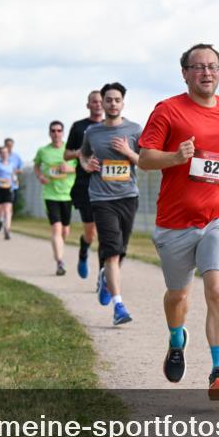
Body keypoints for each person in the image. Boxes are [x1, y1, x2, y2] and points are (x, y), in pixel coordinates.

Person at [137, 43, 219, 401]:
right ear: (184, 73)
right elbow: (144, 158)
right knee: (178, 294)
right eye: (198, 67)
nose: (206, 73)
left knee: (217, 289)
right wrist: (174, 156)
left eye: (213, 66)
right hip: (175, 222)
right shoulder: (168, 110)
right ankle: (176, 338)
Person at [79, 82, 141, 326]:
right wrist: (87, 165)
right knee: (112, 250)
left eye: (117, 100)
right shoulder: (92, 133)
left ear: (122, 103)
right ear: (102, 103)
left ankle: (106, 276)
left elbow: (145, 161)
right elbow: (84, 155)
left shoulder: (135, 129)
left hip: (128, 196)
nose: (112, 103)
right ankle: (119, 306)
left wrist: (128, 151)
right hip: (102, 198)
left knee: (120, 250)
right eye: (108, 100)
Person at [64, 90, 104, 279]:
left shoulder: (111, 127)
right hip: (85, 185)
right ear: (88, 105)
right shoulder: (79, 127)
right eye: (94, 102)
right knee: (91, 233)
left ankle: (104, 277)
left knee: (106, 233)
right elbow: (66, 154)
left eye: (100, 101)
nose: (97, 105)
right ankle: (83, 250)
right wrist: (81, 152)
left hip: (107, 185)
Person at [34, 121, 76, 276]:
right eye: (53, 130)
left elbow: (81, 166)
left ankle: (59, 246)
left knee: (65, 230)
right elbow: (36, 166)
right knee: (56, 228)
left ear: (63, 133)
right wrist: (40, 176)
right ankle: (59, 262)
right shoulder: (43, 151)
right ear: (49, 133)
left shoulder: (70, 150)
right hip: (50, 194)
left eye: (59, 130)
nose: (56, 133)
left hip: (68, 194)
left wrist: (69, 168)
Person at [0, 146, 16, 240]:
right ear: (0, 155)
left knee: (7, 210)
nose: (4, 154)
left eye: (6, 153)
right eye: (2, 153)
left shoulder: (11, 164)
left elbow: (13, 175)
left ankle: (7, 231)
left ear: (8, 154)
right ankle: (0, 220)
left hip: (8, 189)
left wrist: (15, 180)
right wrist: (2, 180)